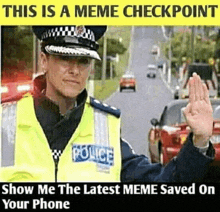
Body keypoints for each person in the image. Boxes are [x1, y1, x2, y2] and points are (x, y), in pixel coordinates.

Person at [0, 25, 215, 182]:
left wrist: (199, 141)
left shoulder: (105, 126)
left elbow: (163, 184)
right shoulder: (5, 118)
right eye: (65, 58)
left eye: (83, 61)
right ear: (44, 60)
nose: (75, 70)